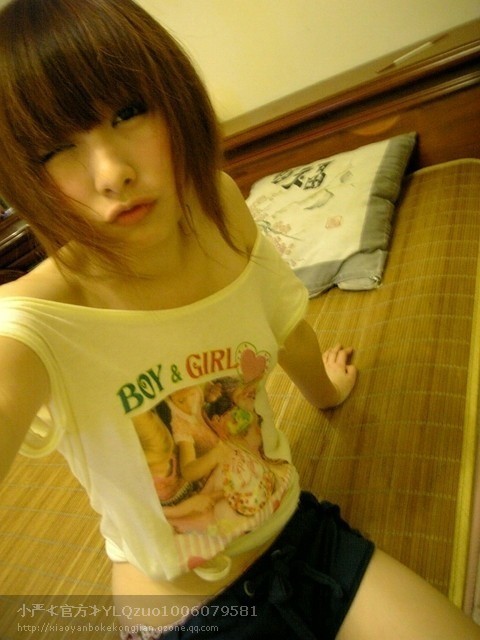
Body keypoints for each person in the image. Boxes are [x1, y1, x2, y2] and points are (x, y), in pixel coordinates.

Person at [0, 0, 477, 638]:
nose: (112, 173)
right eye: (56, 148)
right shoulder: (35, 322)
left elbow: (279, 321)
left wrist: (327, 393)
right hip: (184, 613)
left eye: (129, 112)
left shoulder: (222, 204)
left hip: (299, 537)